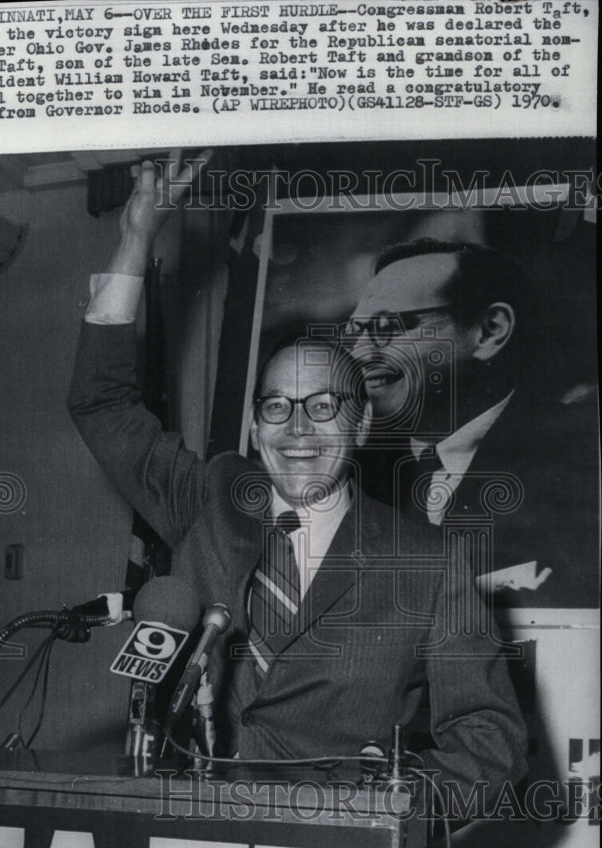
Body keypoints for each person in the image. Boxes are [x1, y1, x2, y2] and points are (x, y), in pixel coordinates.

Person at [68, 154, 527, 799]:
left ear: (362, 427)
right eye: (276, 406)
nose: (298, 429)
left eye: (323, 406)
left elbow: (490, 740)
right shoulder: (209, 499)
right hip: (182, 829)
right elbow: (102, 404)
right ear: (256, 428)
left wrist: (387, 796)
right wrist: (135, 241)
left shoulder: (428, 565)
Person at [351, 239, 598, 607]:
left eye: (387, 326)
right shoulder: (348, 475)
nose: (359, 354)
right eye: (355, 332)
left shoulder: (579, 458)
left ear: (488, 331)